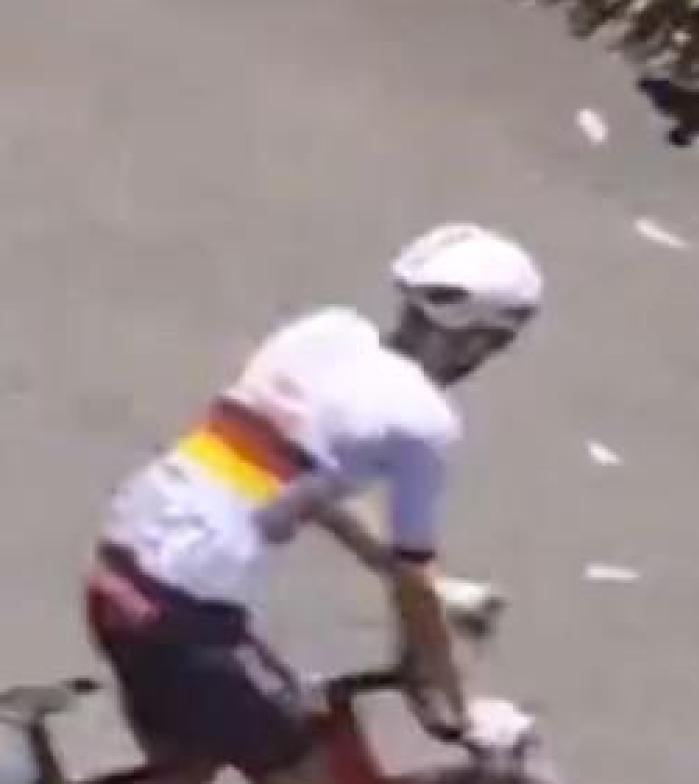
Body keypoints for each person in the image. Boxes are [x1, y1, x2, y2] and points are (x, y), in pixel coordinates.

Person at [84, 223, 544, 784]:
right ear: (482, 341)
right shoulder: (424, 421)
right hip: (187, 618)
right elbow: (411, 581)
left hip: (123, 567)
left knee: (189, 765)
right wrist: (463, 708)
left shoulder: (327, 332)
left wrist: (427, 587)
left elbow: (301, 489)